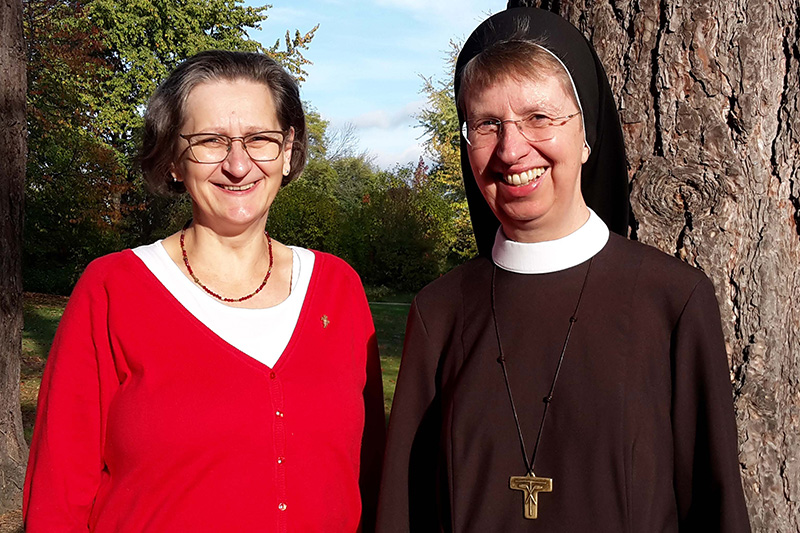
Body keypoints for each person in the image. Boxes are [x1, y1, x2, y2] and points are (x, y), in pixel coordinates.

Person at [377, 7, 750, 532]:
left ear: (587, 133)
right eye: (487, 124)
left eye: (539, 117)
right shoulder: (439, 313)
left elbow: (715, 508)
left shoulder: (673, 301)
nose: (511, 149)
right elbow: (404, 512)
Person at [24, 50, 385, 532]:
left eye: (260, 139)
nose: (239, 165)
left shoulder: (339, 290)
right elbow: (57, 495)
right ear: (174, 157)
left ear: (288, 149)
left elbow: (375, 475)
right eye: (210, 141)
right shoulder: (113, 290)